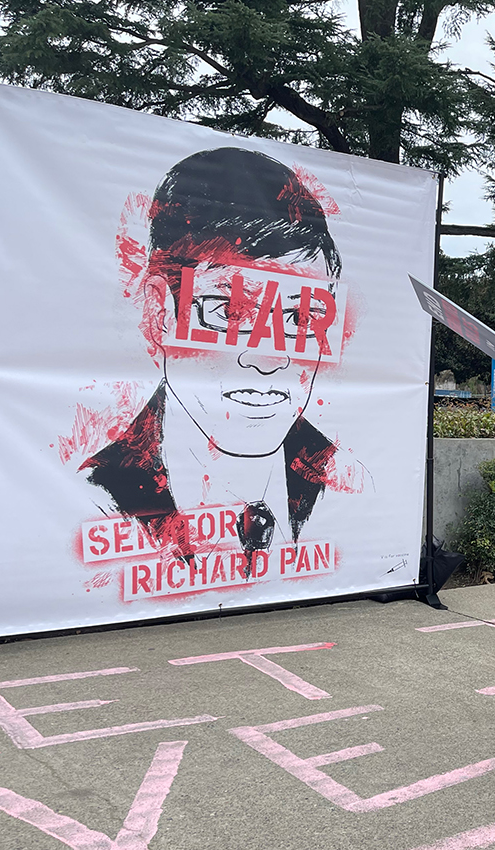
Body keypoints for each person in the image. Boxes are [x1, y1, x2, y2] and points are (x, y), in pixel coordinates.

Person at [82, 147, 360, 565]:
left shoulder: (346, 481)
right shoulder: (99, 495)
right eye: (229, 313)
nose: (269, 358)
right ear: (161, 313)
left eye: (301, 316)